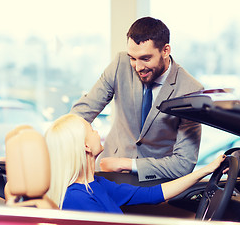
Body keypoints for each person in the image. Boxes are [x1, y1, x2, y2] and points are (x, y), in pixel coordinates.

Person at [70, 16, 204, 182]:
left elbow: (184, 163)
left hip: (155, 182)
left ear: (166, 50)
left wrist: (127, 164)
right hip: (108, 174)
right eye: (133, 58)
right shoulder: (121, 63)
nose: (138, 67)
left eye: (146, 58)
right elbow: (84, 111)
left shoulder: (190, 90)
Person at [44, 114, 226, 213]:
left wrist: (207, 170)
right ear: (85, 147)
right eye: (91, 130)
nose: (97, 132)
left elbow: (153, 194)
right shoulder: (76, 199)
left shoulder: (96, 185)